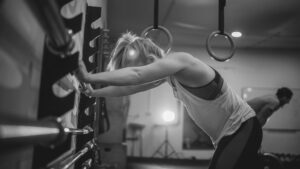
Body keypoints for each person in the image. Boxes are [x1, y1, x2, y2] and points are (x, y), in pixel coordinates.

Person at [76, 32, 262, 169]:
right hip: (229, 134)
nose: (143, 73)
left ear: (150, 59)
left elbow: (137, 75)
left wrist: (89, 77)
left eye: (137, 66)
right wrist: (94, 93)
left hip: (241, 127)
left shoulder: (180, 60)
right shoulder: (168, 77)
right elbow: (128, 87)